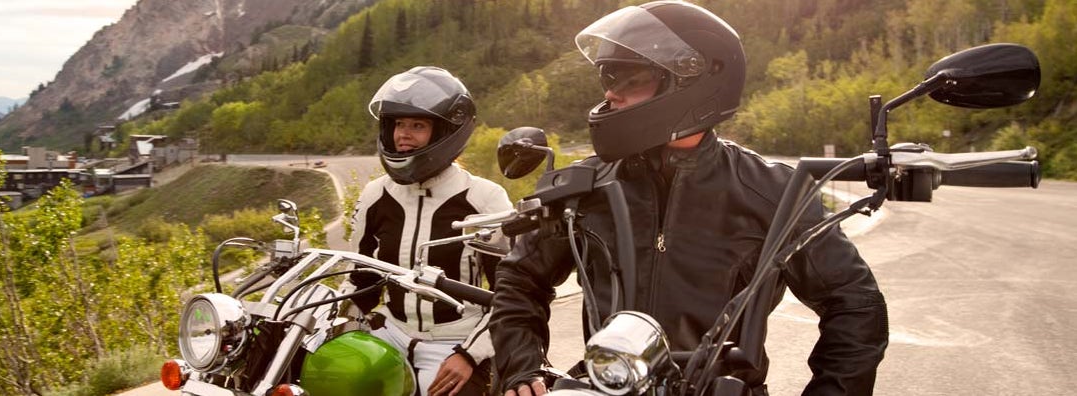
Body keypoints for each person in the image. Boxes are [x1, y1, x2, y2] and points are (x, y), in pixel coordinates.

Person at [490, 2, 889, 395]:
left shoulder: (771, 192)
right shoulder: (586, 187)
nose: (611, 92)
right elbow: (520, 277)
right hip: (605, 387)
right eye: (609, 77)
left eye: (632, 78)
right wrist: (524, 368)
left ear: (690, 80)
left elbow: (855, 304)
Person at [350, 66, 514, 396]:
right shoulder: (375, 195)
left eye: (417, 125)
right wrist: (343, 323)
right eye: (398, 124)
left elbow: (511, 295)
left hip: (456, 341)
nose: (402, 134)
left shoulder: (484, 198)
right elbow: (360, 278)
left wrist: (470, 354)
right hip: (390, 334)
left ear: (445, 132)